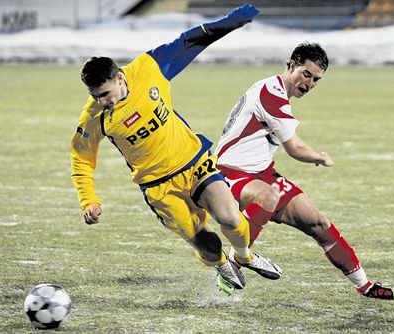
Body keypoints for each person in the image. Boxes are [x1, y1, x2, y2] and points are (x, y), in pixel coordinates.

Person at [70, 4, 281, 294]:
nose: (101, 102)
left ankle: (245, 256)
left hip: (193, 162)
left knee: (230, 217)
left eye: (104, 94)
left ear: (119, 77)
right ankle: (221, 263)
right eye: (95, 97)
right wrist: (88, 200)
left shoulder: (148, 69)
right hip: (158, 187)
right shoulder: (94, 117)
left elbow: (189, 41)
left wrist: (230, 22)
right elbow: (81, 158)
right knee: (208, 246)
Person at [214, 42, 394, 300]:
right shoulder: (272, 93)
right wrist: (321, 157)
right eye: (306, 74)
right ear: (291, 64)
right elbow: (295, 149)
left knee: (318, 223)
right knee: (268, 196)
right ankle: (234, 265)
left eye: (316, 79)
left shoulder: (275, 90)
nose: (310, 83)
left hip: (262, 173)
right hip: (230, 174)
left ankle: (365, 286)